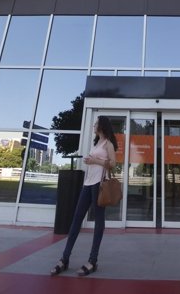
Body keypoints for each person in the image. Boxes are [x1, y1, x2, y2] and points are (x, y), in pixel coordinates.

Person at [51, 115, 117, 276]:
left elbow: (113, 164)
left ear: (102, 126)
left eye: (96, 124)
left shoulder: (108, 144)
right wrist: (91, 160)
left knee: (99, 220)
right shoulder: (96, 144)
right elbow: (94, 160)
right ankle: (64, 259)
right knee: (76, 219)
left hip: (99, 185)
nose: (94, 126)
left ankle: (92, 261)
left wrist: (95, 161)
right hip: (87, 184)